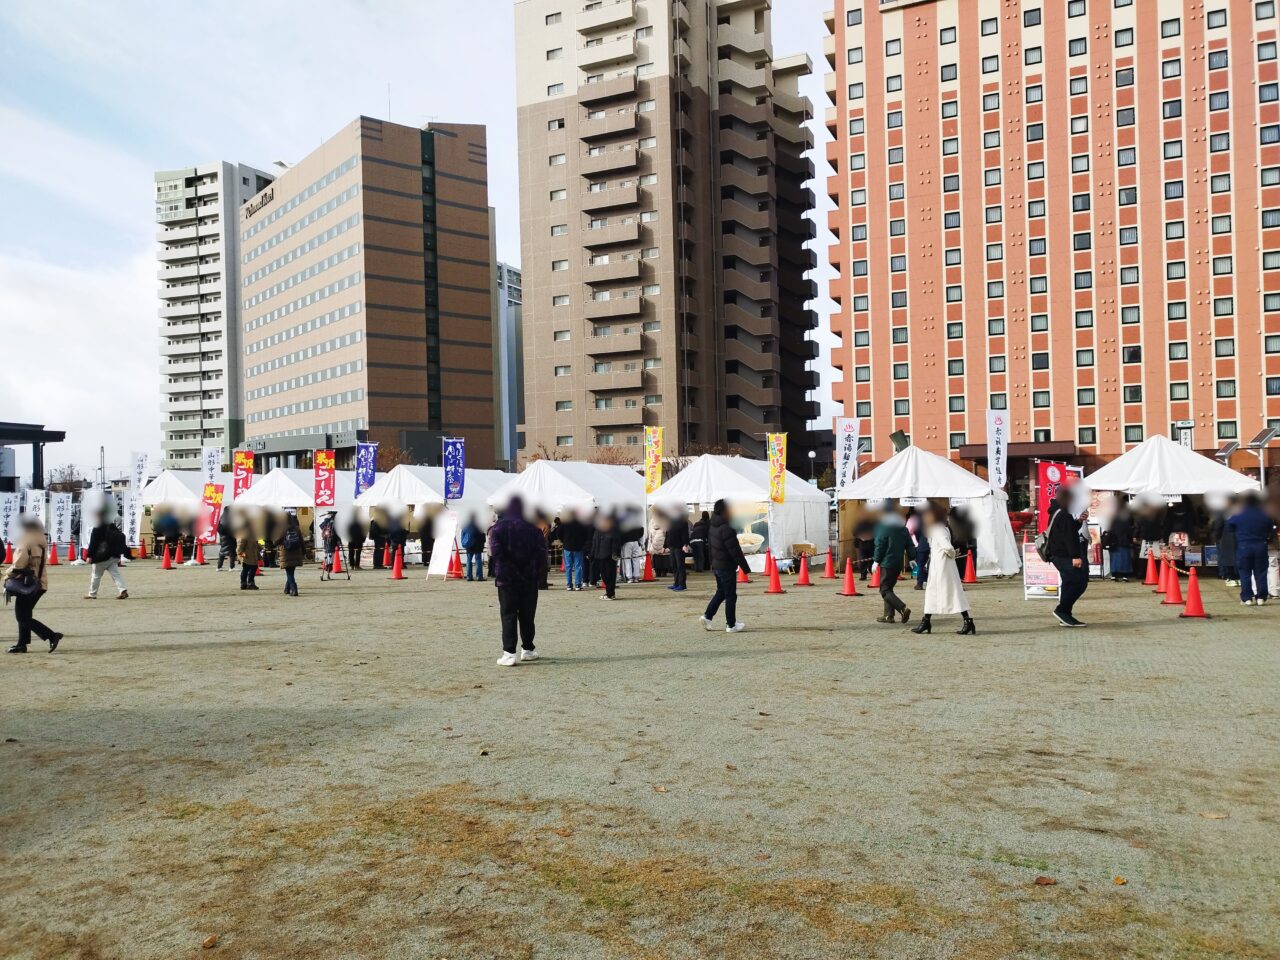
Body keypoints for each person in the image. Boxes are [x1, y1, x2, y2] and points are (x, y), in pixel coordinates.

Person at [487, 496, 548, 666]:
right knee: (528, 615)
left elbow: (495, 554)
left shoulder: (497, 529)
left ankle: (509, 653)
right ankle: (528, 649)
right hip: (529, 578)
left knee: (508, 614)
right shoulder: (534, 529)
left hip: (507, 579)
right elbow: (542, 554)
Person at [911, 507, 975, 635]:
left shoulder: (938, 529)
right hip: (940, 566)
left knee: (951, 593)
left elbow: (948, 547)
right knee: (937, 593)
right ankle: (927, 621)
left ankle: (967, 621)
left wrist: (951, 555)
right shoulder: (939, 528)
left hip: (942, 567)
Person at [5, 517, 62, 653]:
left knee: (22, 616)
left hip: (27, 584)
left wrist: (6, 576)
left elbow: (18, 564)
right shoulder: (41, 540)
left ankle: (51, 636)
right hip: (40, 583)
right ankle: (21, 644)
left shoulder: (26, 541)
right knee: (25, 614)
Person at [699, 499, 751, 632]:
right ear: (725, 511)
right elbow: (735, 551)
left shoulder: (713, 526)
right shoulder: (727, 528)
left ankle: (707, 616)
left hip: (717, 566)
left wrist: (712, 564)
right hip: (726, 567)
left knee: (721, 592)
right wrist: (745, 568)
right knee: (730, 596)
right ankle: (731, 624)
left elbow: (710, 548)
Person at [1045, 489, 1089, 626]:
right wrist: (1076, 556)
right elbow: (1069, 537)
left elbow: (1066, 530)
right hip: (1063, 555)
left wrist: (1078, 521)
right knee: (1079, 582)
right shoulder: (1063, 514)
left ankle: (1065, 613)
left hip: (1058, 554)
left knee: (1070, 582)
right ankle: (1062, 610)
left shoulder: (1056, 512)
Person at [1226, 492, 1276, 606]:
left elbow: (1229, 527)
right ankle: (1261, 598)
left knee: (1245, 573)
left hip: (1244, 547)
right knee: (1261, 573)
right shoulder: (1265, 514)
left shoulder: (1238, 513)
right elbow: (1270, 529)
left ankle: (1247, 598)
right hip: (1261, 546)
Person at [872, 508, 912, 624]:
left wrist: (876, 561)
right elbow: (909, 544)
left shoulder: (885, 528)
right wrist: (912, 558)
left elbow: (880, 545)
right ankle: (888, 616)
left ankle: (903, 608)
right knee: (889, 588)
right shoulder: (903, 529)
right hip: (898, 563)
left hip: (887, 562)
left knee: (884, 590)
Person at [84, 515, 129, 600]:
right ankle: (123, 590)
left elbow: (93, 543)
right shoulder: (112, 526)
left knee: (96, 575)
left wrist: (89, 556)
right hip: (113, 556)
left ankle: (92, 594)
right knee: (116, 575)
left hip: (101, 557)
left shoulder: (97, 527)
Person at [591, 514, 624, 599]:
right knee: (604, 576)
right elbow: (594, 543)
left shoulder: (614, 530)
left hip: (609, 557)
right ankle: (609, 592)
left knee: (610, 576)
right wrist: (592, 554)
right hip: (599, 556)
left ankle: (611, 594)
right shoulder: (598, 530)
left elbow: (617, 543)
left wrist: (615, 553)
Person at [558, 512, 590, 591]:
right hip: (578, 547)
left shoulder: (565, 523)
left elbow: (558, 533)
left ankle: (569, 585)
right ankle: (578, 585)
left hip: (567, 547)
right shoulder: (581, 524)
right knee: (578, 566)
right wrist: (582, 543)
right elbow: (586, 535)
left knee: (568, 566)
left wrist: (564, 540)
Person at [1105, 503, 1135, 583]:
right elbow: (1129, 532)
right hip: (1124, 543)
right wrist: (1131, 540)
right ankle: (1125, 577)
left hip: (1113, 544)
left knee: (1114, 560)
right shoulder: (1126, 521)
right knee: (1125, 560)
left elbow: (1109, 531)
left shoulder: (1112, 521)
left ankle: (1113, 576)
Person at [1212, 501, 1239, 586]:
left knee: (1225, 558)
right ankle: (1238, 577)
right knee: (1237, 557)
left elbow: (1218, 525)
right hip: (1238, 538)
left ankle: (1228, 577)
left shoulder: (1222, 513)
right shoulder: (1240, 511)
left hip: (1226, 538)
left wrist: (1216, 537)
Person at [278, 512, 305, 597]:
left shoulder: (282, 529)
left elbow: (276, 541)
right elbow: (302, 541)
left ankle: (294, 589)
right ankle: (287, 588)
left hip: (286, 553)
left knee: (289, 572)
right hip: (296, 552)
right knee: (291, 571)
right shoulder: (297, 528)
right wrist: (304, 551)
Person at [665, 509, 691, 591]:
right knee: (674, 565)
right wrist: (665, 545)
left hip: (679, 546)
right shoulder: (670, 522)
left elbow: (685, 534)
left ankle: (682, 584)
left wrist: (685, 544)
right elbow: (667, 533)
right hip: (672, 546)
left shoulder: (683, 522)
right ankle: (676, 583)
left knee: (680, 566)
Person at [460, 515, 488, 582]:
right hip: (477, 546)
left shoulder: (465, 527)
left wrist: (464, 544)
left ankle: (469, 577)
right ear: (475, 518)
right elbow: (483, 538)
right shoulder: (478, 527)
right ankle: (479, 577)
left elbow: (462, 537)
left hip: (469, 546)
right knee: (478, 560)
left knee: (468, 560)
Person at [908, 508, 929, 591]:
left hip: (921, 545)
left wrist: (918, 541)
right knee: (932, 565)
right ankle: (930, 582)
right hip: (932, 545)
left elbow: (914, 532)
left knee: (920, 564)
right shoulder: (932, 520)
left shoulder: (916, 520)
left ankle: (919, 584)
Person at [236, 523, 261, 591]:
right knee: (250, 568)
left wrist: (260, 548)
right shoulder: (245, 534)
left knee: (248, 568)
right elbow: (240, 545)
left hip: (251, 554)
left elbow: (255, 544)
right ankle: (249, 583)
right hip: (247, 555)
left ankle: (245, 583)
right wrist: (239, 553)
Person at [216, 507, 237, 572]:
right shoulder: (229, 518)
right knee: (231, 553)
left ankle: (219, 567)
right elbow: (231, 529)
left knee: (222, 552)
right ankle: (231, 567)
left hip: (222, 538)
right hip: (229, 538)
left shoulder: (222, 518)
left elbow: (218, 529)